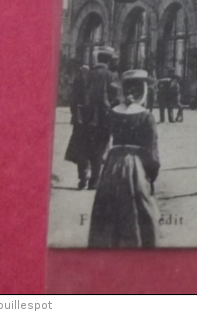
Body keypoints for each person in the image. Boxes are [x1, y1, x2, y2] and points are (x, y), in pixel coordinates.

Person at [88, 69, 161, 248]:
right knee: (141, 210)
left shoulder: (112, 113)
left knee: (108, 208)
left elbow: (101, 142)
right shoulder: (146, 116)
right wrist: (151, 177)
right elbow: (152, 153)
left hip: (112, 165)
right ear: (143, 91)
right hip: (136, 166)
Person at [65, 48, 116, 189]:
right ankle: (94, 181)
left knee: (83, 149)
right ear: (109, 61)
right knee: (98, 150)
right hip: (103, 120)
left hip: (84, 120)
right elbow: (115, 99)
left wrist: (76, 115)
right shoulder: (111, 76)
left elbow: (73, 98)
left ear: (97, 59)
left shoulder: (85, 75)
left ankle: (82, 179)